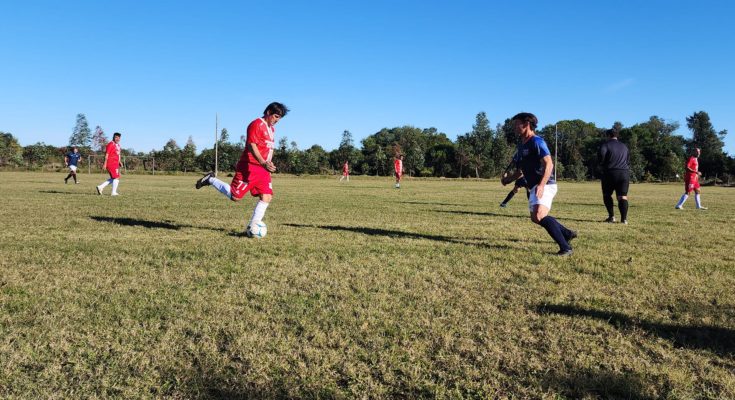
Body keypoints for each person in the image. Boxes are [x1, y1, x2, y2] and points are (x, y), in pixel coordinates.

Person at [195, 102, 289, 235]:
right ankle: (211, 179)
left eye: (279, 118)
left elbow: (268, 148)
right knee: (235, 196)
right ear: (268, 112)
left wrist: (269, 163)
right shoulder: (256, 124)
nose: (277, 120)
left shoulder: (271, 129)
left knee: (266, 197)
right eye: (275, 116)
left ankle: (252, 227)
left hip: (263, 169)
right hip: (249, 166)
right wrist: (262, 162)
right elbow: (252, 145)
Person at [502, 112, 577, 256]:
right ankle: (566, 233)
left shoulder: (537, 142)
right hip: (535, 185)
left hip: (546, 184)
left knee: (538, 216)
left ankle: (566, 248)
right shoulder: (521, 145)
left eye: (516, 124)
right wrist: (507, 180)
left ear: (526, 124)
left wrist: (542, 185)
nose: (514, 128)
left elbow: (549, 164)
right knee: (535, 218)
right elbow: (519, 171)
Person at [599, 128, 630, 223]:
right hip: (624, 173)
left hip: (610, 173)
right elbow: (628, 161)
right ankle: (624, 219)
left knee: (607, 195)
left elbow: (601, 158)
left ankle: (611, 217)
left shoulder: (605, 145)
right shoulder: (624, 146)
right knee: (623, 196)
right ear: (617, 136)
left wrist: (601, 167)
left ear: (608, 136)